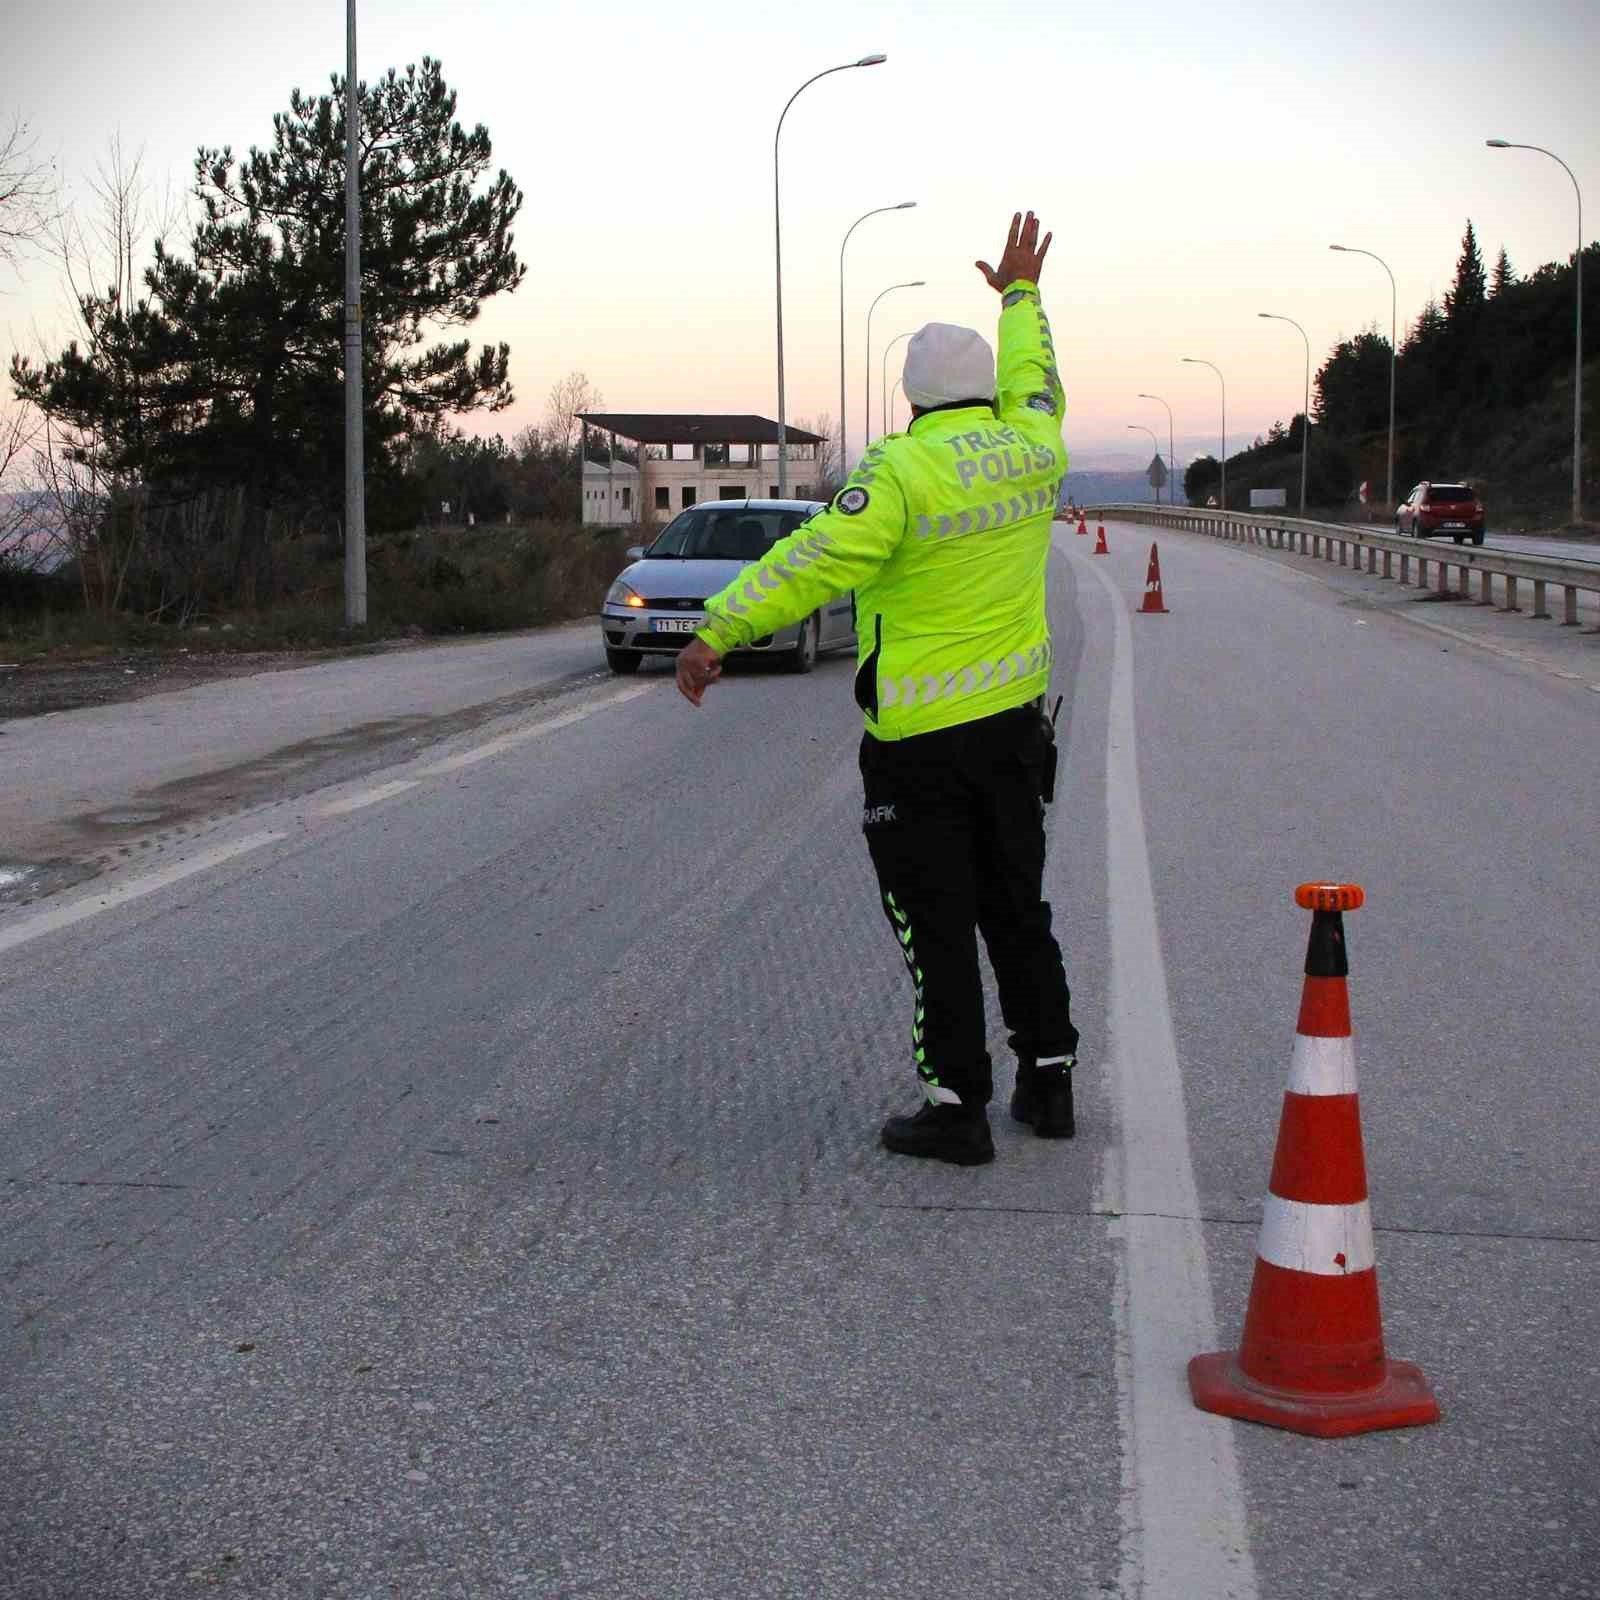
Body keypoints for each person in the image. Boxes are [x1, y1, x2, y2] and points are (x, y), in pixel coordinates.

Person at [676, 211, 1079, 1168]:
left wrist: (718, 629)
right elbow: (1039, 381)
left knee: (936, 923)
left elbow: (811, 560)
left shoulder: (899, 472)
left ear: (909, 398)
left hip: (920, 750)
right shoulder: (1035, 445)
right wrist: (1022, 296)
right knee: (1018, 909)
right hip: (1014, 731)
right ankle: (1050, 1080)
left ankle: (957, 1106)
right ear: (982, 390)